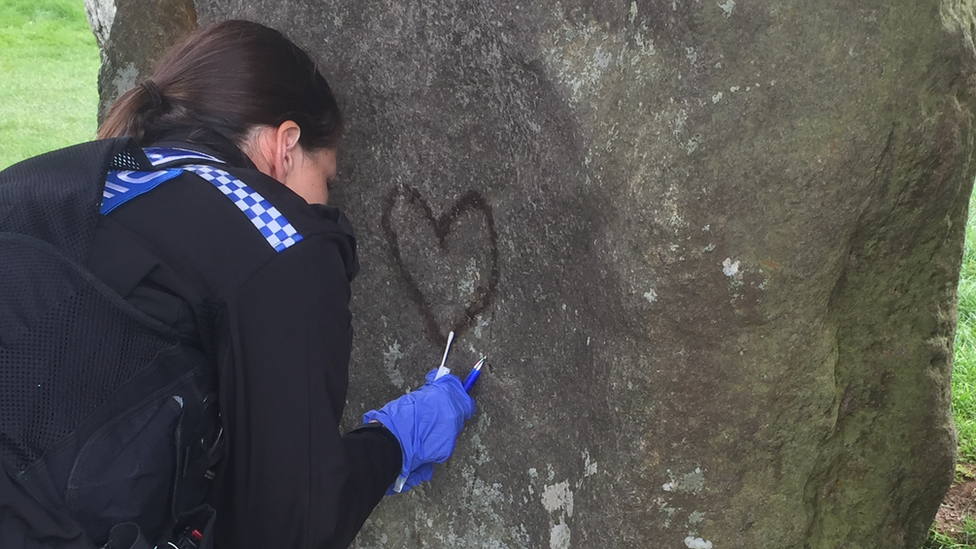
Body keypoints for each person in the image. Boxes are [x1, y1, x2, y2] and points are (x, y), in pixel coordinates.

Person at [0, 19, 474, 549]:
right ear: (286, 144)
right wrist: (391, 445)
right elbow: (292, 526)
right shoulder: (280, 238)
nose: (324, 202)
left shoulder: (66, 181)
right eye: (328, 179)